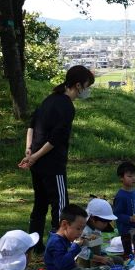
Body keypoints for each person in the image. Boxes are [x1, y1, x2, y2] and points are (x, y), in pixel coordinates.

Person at [20, 65, 95, 247]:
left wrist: (29, 150)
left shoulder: (50, 99)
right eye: (87, 85)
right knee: (61, 206)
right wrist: (36, 155)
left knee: (40, 204)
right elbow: (56, 138)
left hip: (37, 164)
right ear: (78, 85)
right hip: (52, 164)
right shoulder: (67, 107)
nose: (88, 90)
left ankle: (34, 245)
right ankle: (59, 246)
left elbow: (31, 125)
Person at [43, 204, 115, 270]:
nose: (80, 232)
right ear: (65, 224)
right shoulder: (55, 242)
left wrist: (84, 242)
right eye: (78, 229)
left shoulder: (66, 237)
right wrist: (76, 246)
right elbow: (61, 265)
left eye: (82, 229)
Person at [77, 198, 118, 270]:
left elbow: (97, 247)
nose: (106, 225)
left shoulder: (96, 227)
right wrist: (101, 259)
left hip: (95, 258)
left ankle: (96, 269)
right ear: (92, 218)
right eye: (104, 222)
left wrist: (104, 256)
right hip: (81, 261)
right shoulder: (82, 230)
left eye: (108, 222)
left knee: (118, 260)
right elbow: (80, 252)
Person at [113, 161, 135, 248]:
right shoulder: (121, 196)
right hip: (126, 231)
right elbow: (116, 215)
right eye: (130, 176)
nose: (134, 178)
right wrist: (130, 219)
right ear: (121, 178)